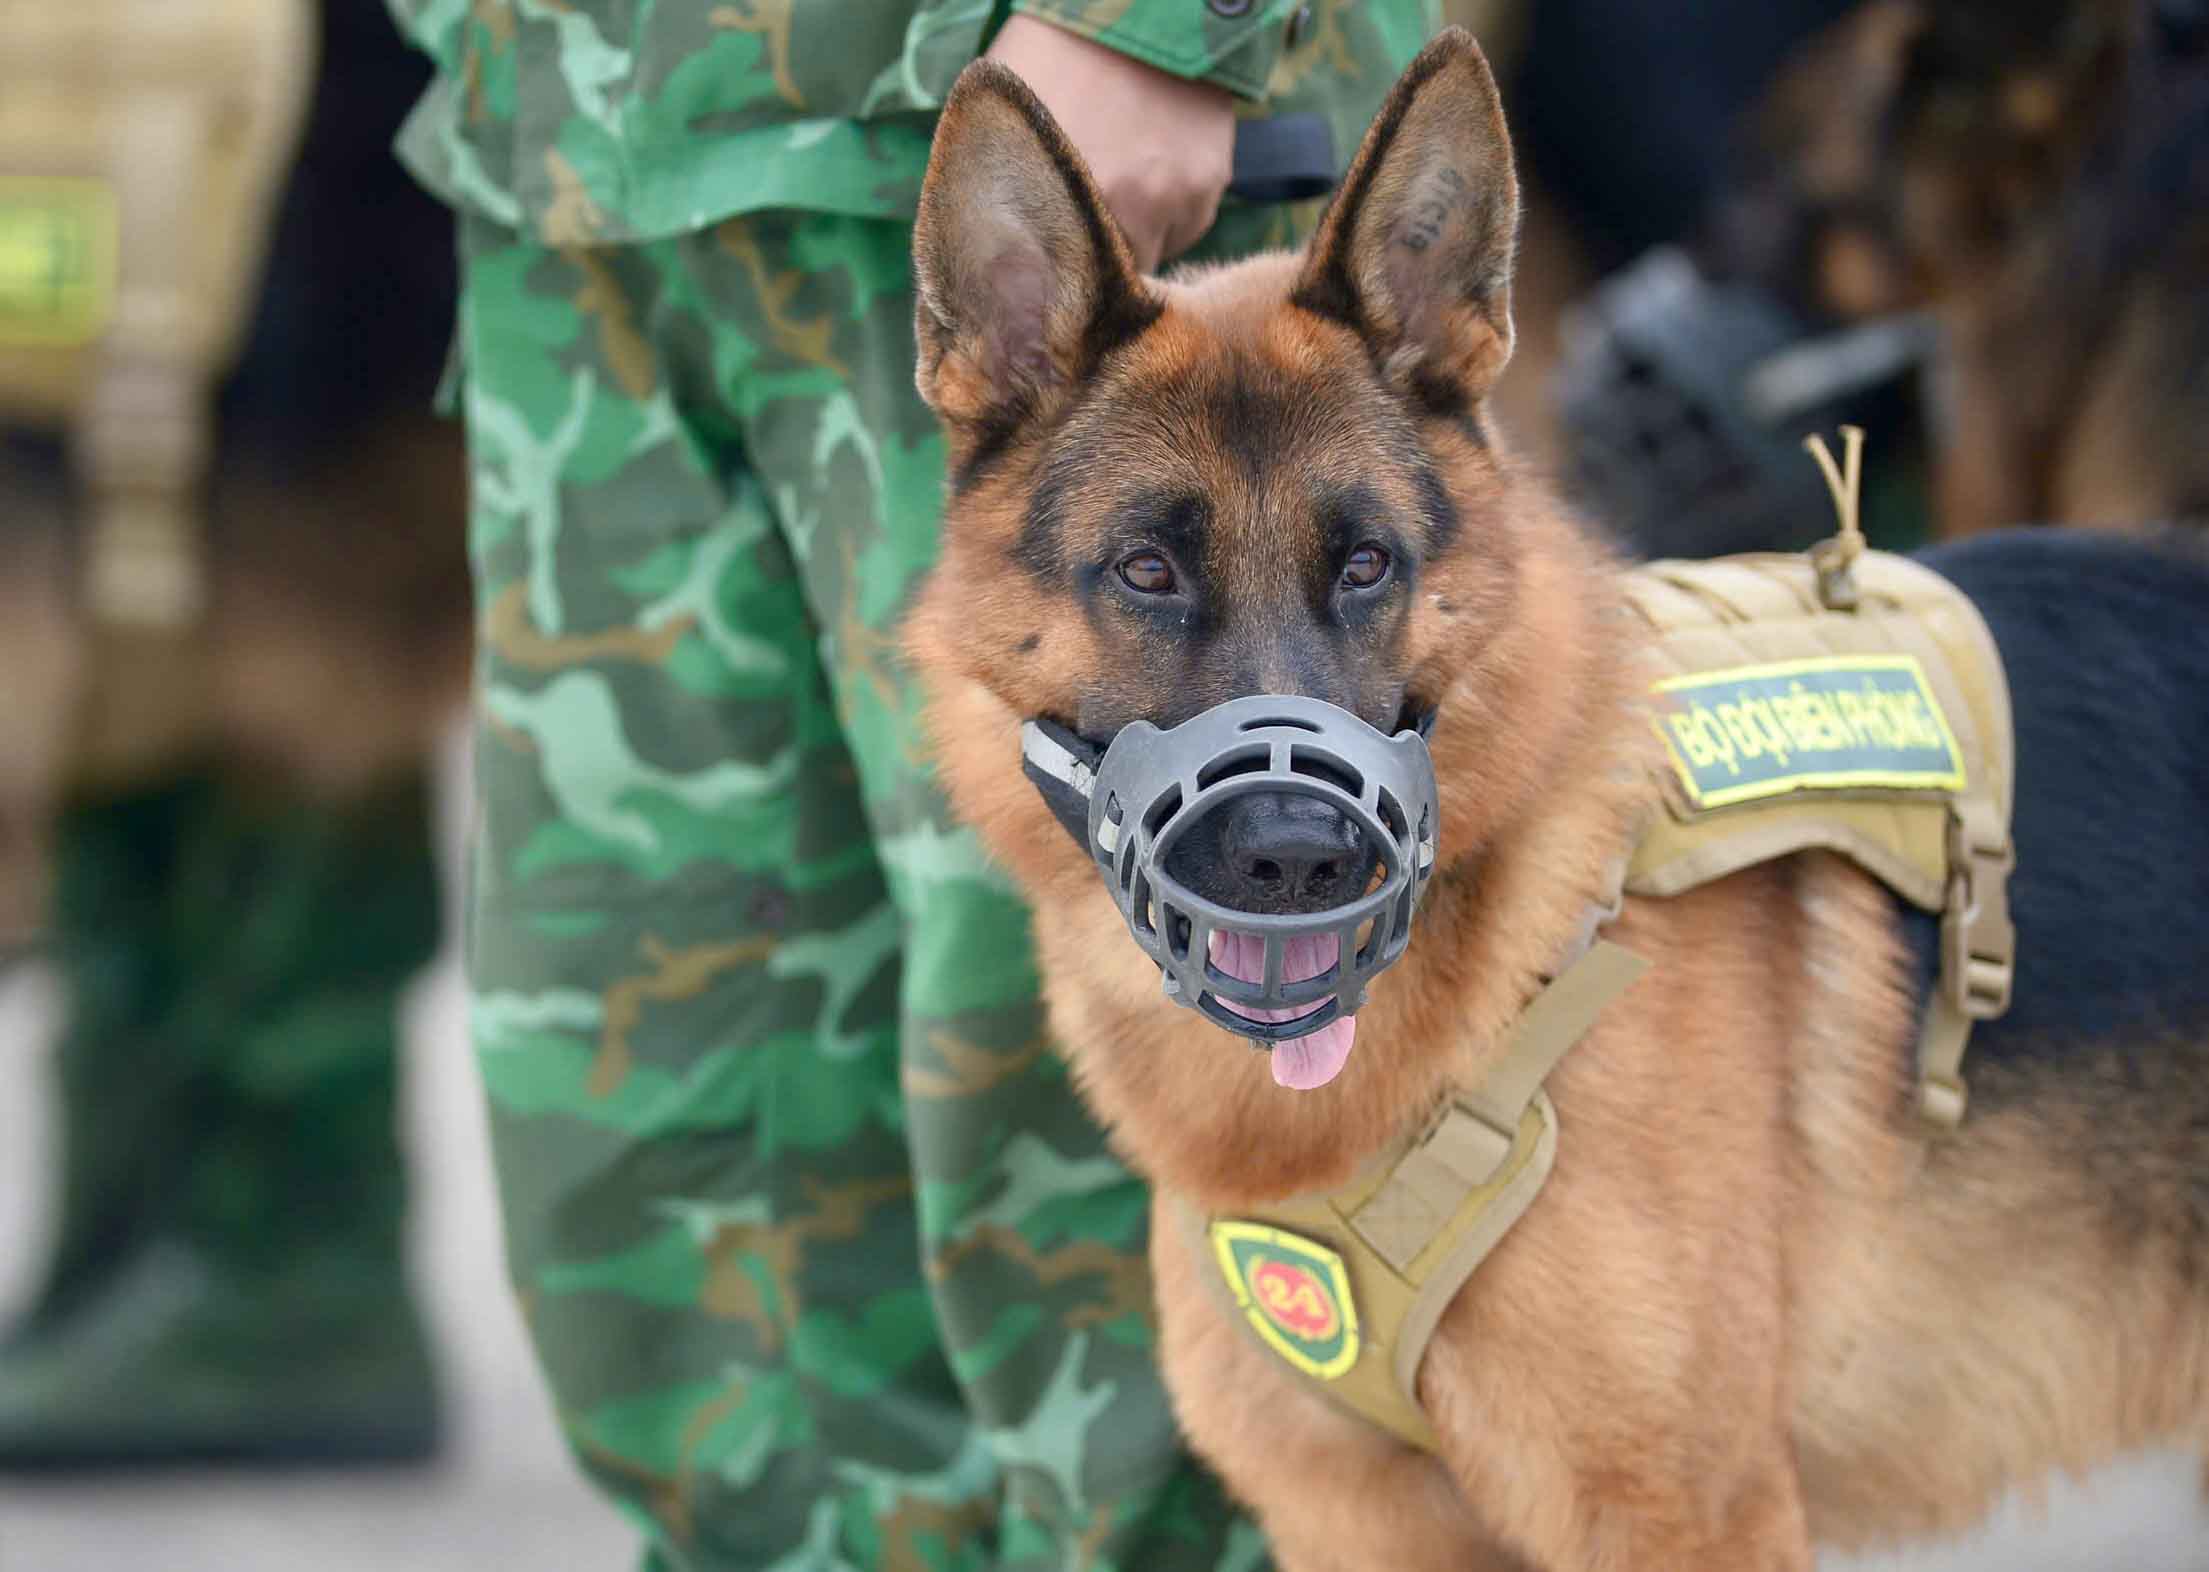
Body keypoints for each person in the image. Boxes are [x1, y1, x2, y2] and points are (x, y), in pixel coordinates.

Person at [384, 1, 1440, 1564]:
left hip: (1045, 152)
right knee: (647, 1123)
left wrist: (1149, 26)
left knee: (1119, 1100)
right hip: (588, 155)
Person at [0, 0, 467, 1466]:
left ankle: (282, 1274)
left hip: (343, 154)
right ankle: (141, 1235)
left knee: (304, 638)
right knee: (136, 617)